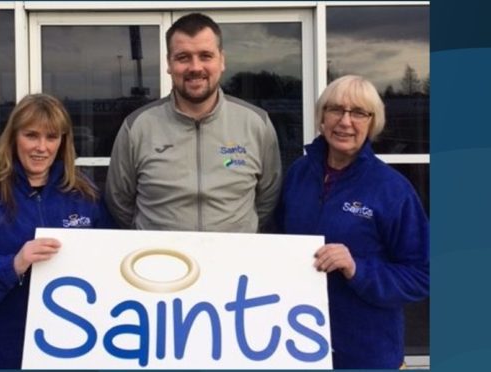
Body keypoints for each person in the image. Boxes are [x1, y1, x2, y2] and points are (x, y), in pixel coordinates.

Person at [0, 93, 115, 369]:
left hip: (72, 352)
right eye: (31, 135)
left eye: (51, 137)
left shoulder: (85, 196)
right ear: (13, 138)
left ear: (63, 142)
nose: (41, 147)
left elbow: (110, 266)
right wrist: (13, 265)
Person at [280, 75, 429, 368]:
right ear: (322, 118)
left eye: (358, 112)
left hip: (366, 351)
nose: (345, 121)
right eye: (335, 109)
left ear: (372, 123)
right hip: (298, 345)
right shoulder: (298, 174)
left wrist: (357, 268)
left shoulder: (391, 189)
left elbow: (423, 274)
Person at [106, 12, 282, 232]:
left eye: (205, 56)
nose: (195, 67)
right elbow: (119, 201)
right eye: (183, 57)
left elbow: (268, 199)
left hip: (234, 261)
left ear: (222, 60)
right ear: (169, 63)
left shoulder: (257, 124)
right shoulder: (137, 127)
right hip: (161, 260)